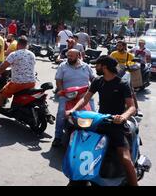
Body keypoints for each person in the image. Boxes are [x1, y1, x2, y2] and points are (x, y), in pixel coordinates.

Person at [66, 56, 138, 186]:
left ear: (104, 67)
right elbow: (85, 99)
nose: (95, 67)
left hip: (116, 124)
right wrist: (73, 110)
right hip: (100, 121)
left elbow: (132, 107)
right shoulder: (98, 81)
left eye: (97, 65)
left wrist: (122, 117)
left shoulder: (122, 84)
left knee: (125, 159)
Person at [0, 36, 36, 120]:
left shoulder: (14, 54)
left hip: (18, 84)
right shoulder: (32, 54)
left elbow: (3, 67)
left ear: (18, 44)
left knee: (1, 94)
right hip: (31, 83)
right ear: (26, 45)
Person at [52, 49, 95, 147]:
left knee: (93, 113)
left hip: (84, 96)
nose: (69, 57)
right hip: (67, 95)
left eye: (72, 55)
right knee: (61, 114)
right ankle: (58, 137)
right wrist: (61, 91)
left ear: (78, 56)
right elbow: (58, 80)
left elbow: (93, 79)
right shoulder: (62, 66)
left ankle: (93, 136)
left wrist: (94, 88)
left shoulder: (86, 66)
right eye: (68, 55)